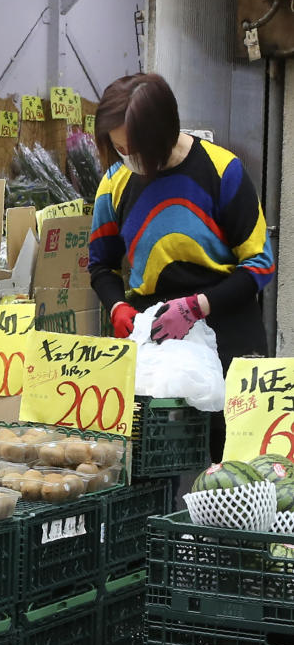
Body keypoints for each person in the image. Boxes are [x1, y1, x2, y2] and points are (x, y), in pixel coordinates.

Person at [88, 72, 275, 462]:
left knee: (231, 464)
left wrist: (196, 306)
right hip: (155, 340)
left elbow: (260, 265)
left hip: (229, 331)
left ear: (163, 133)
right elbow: (101, 265)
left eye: (134, 149)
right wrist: (117, 307)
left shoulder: (223, 171)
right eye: (119, 149)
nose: (127, 158)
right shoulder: (114, 183)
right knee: (152, 464)